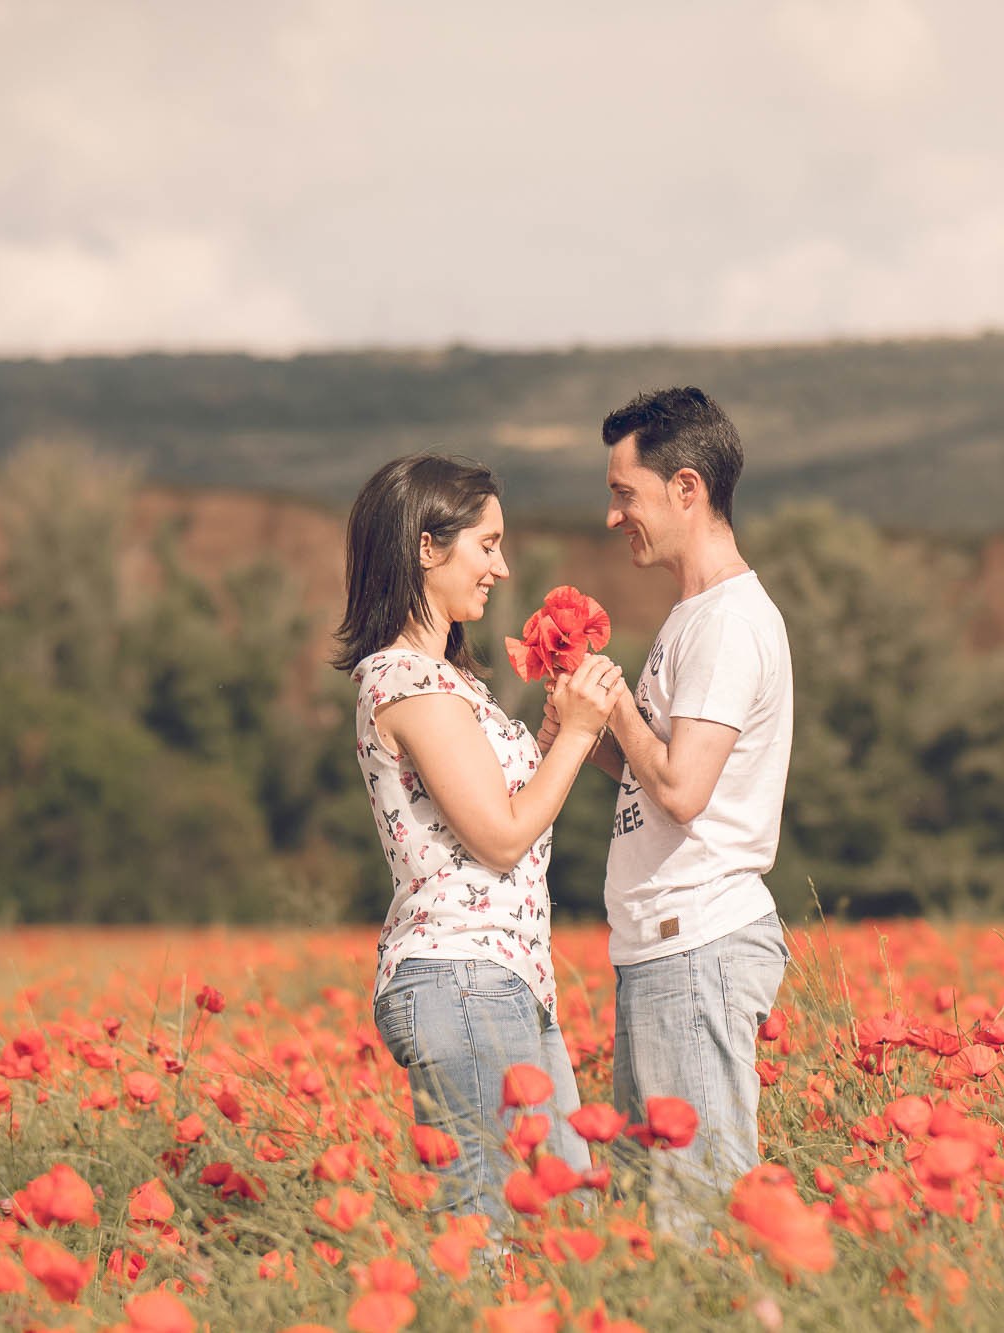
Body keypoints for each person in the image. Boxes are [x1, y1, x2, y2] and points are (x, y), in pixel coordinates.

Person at [335, 452, 627, 1228]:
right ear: (426, 547)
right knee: (488, 1232)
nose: (500, 567)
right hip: (461, 975)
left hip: (502, 977)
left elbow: (500, 813)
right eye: (487, 544)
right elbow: (500, 838)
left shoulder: (453, 682)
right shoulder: (405, 679)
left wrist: (556, 730)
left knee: (564, 1225)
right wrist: (580, 735)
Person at [541, 387, 794, 1238]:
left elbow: (684, 790)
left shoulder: (726, 624)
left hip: (698, 944)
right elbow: (652, 777)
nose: (614, 517)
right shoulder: (697, 617)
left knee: (701, 1223)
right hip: (664, 948)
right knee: (660, 1219)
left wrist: (615, 704)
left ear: (686, 487)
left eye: (626, 494)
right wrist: (582, 727)